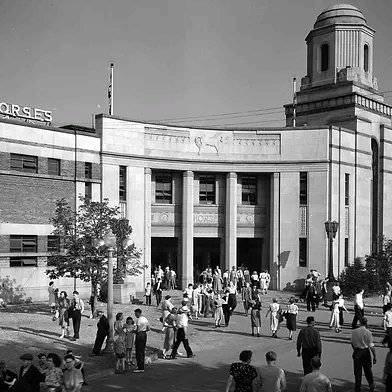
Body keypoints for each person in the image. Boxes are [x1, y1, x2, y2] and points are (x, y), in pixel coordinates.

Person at [351, 317, 376, 392]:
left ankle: (357, 387)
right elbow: (371, 346)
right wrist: (374, 356)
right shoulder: (368, 332)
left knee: (357, 372)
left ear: (360, 322)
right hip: (365, 352)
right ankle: (371, 385)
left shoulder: (354, 331)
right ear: (366, 323)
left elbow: (352, 343)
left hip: (357, 352)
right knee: (368, 370)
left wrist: (355, 349)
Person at [134, 308, 150, 373]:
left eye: (135, 313)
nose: (135, 315)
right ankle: (141, 365)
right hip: (144, 334)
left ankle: (140, 367)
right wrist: (143, 331)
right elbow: (148, 328)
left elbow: (137, 330)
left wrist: (132, 331)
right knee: (142, 350)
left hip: (139, 335)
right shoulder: (145, 319)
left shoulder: (138, 320)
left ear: (138, 313)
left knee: (138, 351)